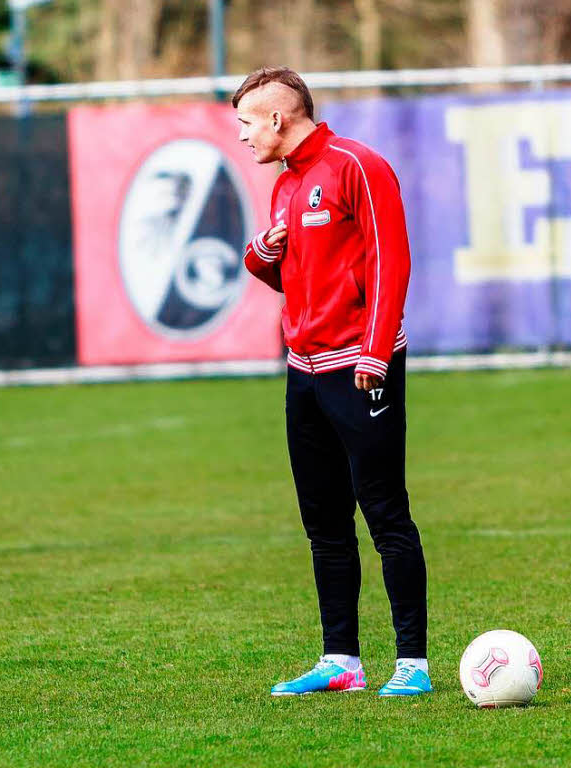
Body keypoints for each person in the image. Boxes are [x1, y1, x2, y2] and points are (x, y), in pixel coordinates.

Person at [233, 68, 430, 696]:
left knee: (385, 513)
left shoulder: (358, 165)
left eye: (246, 123)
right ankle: (341, 661)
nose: (242, 137)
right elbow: (287, 276)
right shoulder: (286, 187)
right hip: (304, 374)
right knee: (323, 523)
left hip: (360, 367)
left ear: (277, 119)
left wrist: (374, 352)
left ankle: (412, 664)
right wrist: (262, 255)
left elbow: (390, 261)